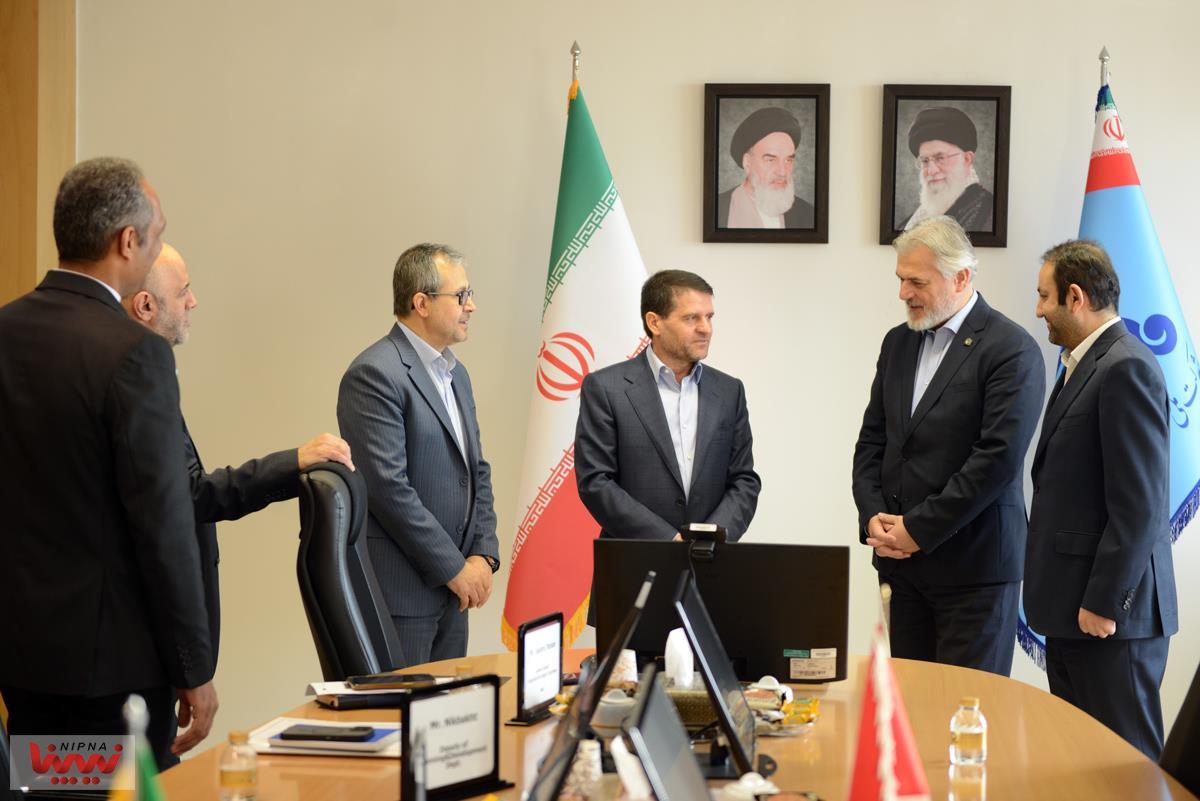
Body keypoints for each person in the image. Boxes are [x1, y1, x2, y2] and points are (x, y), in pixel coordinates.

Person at [0, 158, 215, 768]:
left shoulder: (5, 331)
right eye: (157, 234)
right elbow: (163, 526)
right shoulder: (135, 354)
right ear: (127, 242)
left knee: (49, 787)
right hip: (115, 674)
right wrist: (194, 668)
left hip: (21, 660)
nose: (158, 247)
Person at [123, 243, 353, 671]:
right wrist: (293, 462)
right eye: (183, 291)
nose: (194, 301)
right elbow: (193, 494)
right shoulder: (134, 381)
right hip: (137, 649)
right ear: (146, 305)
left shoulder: (141, 370)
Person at [852, 216, 1043, 676]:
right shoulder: (898, 343)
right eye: (901, 279)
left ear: (961, 278)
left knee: (966, 708)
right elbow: (874, 440)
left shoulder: (1011, 349)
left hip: (974, 572)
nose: (904, 293)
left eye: (917, 281)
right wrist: (873, 515)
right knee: (911, 707)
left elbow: (995, 461)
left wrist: (917, 529)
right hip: (901, 569)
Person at [1025, 240, 1177, 759]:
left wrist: (1104, 602)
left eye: (1044, 296)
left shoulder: (1125, 366)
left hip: (1108, 619)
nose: (1038, 310)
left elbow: (1140, 505)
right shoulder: (1084, 363)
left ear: (1075, 296)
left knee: (1126, 769)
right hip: (1072, 612)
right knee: (1080, 766)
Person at [337, 243, 499, 666]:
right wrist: (454, 569)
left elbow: (476, 471)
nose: (471, 306)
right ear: (421, 303)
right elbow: (389, 490)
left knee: (448, 705)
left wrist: (483, 554)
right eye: (461, 295)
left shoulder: (456, 374)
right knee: (406, 708)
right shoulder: (375, 373)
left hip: (455, 596)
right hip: (404, 596)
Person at [575, 269, 760, 542]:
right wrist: (668, 540)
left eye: (709, 317)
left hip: (711, 559)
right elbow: (596, 482)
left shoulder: (729, 391)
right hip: (633, 559)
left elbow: (744, 480)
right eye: (691, 318)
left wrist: (712, 538)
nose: (706, 328)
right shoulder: (605, 388)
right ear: (655, 322)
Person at [717, 106, 815, 229]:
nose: (782, 172)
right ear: (747, 162)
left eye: (788, 160)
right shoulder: (717, 209)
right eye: (771, 160)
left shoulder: (808, 214)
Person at [902, 107, 994, 232]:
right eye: (925, 161)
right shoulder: (911, 222)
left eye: (940, 158)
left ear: (967, 159)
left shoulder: (987, 213)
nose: (931, 171)